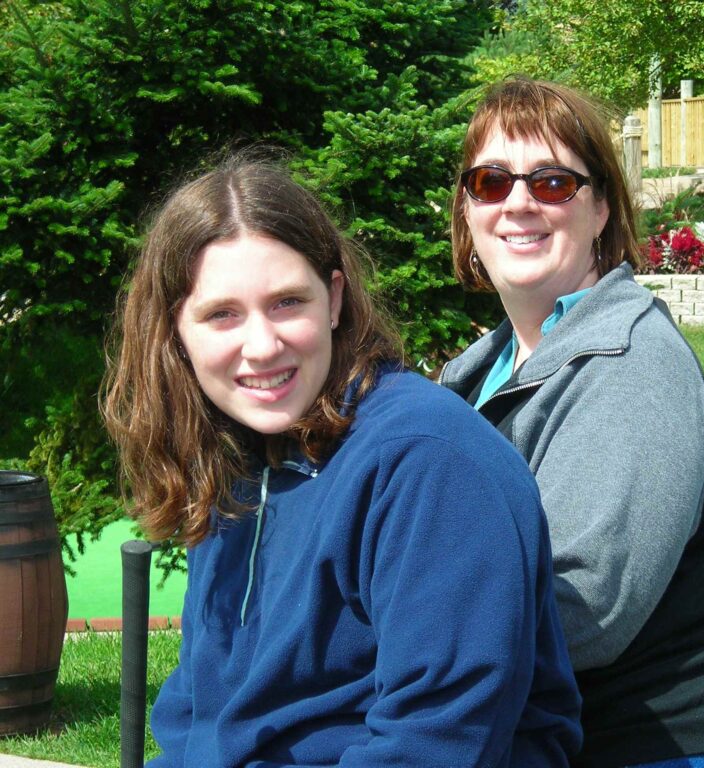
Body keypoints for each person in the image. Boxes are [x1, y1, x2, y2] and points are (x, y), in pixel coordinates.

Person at [102, 155, 583, 767]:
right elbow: (203, 715)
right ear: (176, 331)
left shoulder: (427, 466)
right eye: (222, 314)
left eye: (286, 303)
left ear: (332, 300)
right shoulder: (237, 449)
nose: (261, 345)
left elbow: (438, 742)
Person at [440, 76, 704, 768]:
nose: (518, 203)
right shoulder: (476, 372)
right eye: (491, 182)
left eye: (551, 184)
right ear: (468, 210)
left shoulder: (632, 364)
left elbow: (586, 611)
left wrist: (387, 645)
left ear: (600, 207)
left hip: (676, 747)